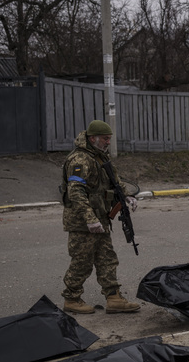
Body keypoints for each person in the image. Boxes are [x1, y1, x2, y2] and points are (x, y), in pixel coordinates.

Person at [60, 119, 140, 314]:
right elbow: (76, 192)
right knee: (82, 260)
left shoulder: (100, 157)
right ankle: (71, 298)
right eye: (105, 139)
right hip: (82, 222)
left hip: (101, 218)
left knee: (107, 258)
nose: (107, 143)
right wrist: (90, 219)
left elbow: (115, 181)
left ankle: (113, 298)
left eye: (109, 139)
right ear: (92, 138)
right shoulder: (80, 160)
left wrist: (127, 195)